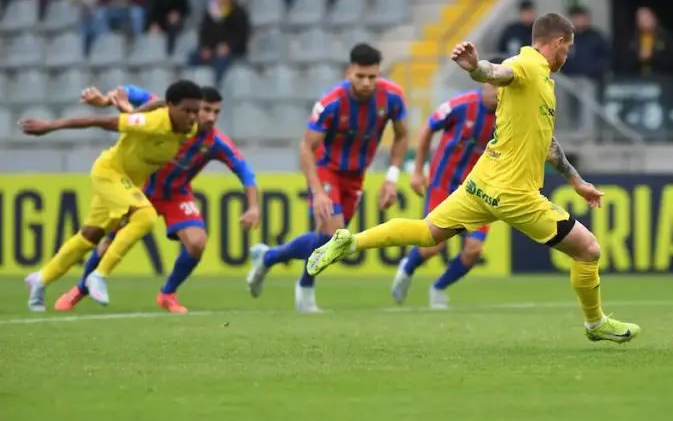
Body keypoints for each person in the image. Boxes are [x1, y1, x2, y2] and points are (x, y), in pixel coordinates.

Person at [307, 14, 640, 343]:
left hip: (480, 183)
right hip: (515, 194)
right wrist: (477, 67)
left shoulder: (539, 84)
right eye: (568, 48)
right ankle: (595, 323)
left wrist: (576, 181)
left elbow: (547, 144)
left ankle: (350, 241)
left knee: (426, 233)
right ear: (557, 43)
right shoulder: (528, 65)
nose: (568, 56)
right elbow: (499, 72)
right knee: (588, 250)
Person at [55, 84, 260, 313]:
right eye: (206, 110)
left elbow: (245, 171)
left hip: (176, 194)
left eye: (216, 112)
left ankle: (168, 294)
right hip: (142, 189)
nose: (211, 117)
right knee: (107, 242)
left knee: (197, 243)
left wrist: (253, 207)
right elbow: (130, 90)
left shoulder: (214, 142)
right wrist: (105, 100)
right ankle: (80, 289)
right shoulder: (166, 113)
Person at [245, 43, 410, 313]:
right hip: (326, 169)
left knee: (333, 241)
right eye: (361, 76)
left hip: (356, 175)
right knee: (334, 234)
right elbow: (305, 146)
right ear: (349, 73)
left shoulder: (392, 97)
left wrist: (391, 177)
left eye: (372, 77)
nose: (367, 83)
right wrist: (319, 192)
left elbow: (403, 135)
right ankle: (304, 289)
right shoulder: (331, 102)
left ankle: (268, 257)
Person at [20, 80, 203, 312]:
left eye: (195, 111)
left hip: (127, 181)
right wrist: (51, 126)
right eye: (186, 111)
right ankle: (99, 275)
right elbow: (100, 121)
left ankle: (40, 280)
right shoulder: (152, 122)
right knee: (146, 215)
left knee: (89, 236)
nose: (192, 117)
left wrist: (135, 108)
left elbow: (156, 103)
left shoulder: (190, 129)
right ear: (170, 108)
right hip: (109, 173)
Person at [392, 82, 498, 309]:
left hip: (477, 191)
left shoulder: (508, 115)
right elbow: (428, 128)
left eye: (504, 87)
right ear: (484, 85)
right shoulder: (461, 106)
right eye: (495, 86)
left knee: (473, 251)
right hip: (443, 184)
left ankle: (438, 288)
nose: (499, 92)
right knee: (433, 245)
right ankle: (407, 267)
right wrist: (419, 170)